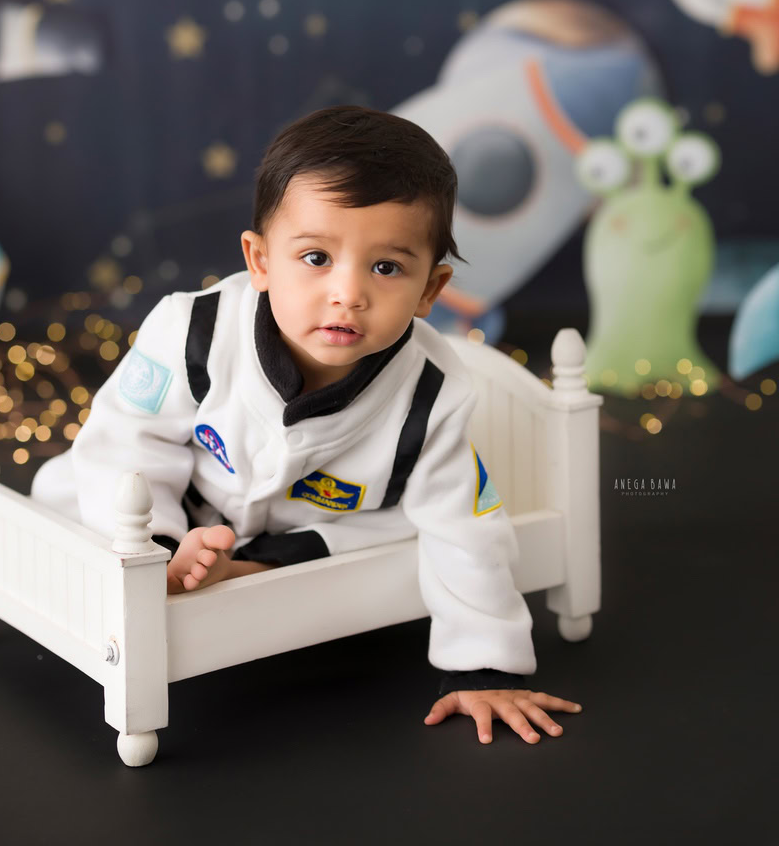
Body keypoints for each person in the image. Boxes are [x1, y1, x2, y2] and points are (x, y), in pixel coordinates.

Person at [31, 104, 583, 745]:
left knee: (404, 538)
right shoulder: (195, 332)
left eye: (386, 268)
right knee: (64, 486)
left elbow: (467, 531)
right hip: (188, 500)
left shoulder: (434, 394)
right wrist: (154, 547)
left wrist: (486, 666)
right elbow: (126, 439)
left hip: (321, 525)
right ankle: (184, 560)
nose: (347, 294)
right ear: (260, 260)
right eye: (316, 257)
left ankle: (246, 572)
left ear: (431, 289)